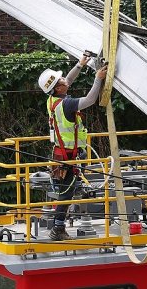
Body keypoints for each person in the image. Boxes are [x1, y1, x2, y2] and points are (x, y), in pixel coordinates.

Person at [38, 54, 107, 240]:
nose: (64, 80)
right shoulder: (67, 104)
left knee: (66, 191)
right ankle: (57, 229)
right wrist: (97, 79)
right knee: (65, 195)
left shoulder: (52, 101)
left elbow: (68, 79)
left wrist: (80, 64)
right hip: (68, 158)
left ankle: (59, 225)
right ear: (58, 88)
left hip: (61, 154)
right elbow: (89, 100)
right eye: (61, 80)